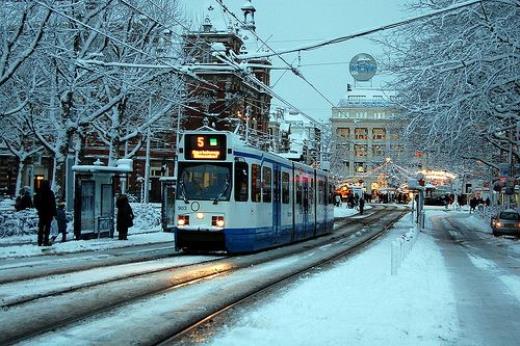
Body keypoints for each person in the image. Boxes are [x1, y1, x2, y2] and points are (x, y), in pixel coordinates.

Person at [33, 180, 57, 246]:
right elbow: (53, 204)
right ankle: (46, 241)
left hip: (42, 213)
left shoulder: (39, 192)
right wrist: (54, 213)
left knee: (41, 228)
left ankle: (40, 241)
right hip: (49, 214)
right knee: (47, 228)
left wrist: (39, 209)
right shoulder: (50, 193)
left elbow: (35, 202)